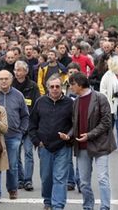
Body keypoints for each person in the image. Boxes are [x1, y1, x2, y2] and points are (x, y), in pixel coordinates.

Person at [60, 72, 116, 210]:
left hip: (100, 144)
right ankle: (88, 206)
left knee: (102, 178)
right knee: (84, 182)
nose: (70, 88)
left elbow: (106, 122)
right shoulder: (76, 101)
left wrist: (89, 135)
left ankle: (105, 207)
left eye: (71, 84)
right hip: (82, 145)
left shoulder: (100, 98)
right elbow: (75, 124)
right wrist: (69, 135)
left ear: (79, 84)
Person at [28, 74, 74, 210]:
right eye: (52, 87)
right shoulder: (40, 102)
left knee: (60, 177)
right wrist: (37, 141)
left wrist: (69, 136)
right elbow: (32, 124)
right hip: (45, 147)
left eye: (57, 86)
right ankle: (48, 201)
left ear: (62, 88)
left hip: (63, 146)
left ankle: (58, 205)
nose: (55, 89)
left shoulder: (70, 103)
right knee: (46, 177)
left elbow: (75, 124)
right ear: (48, 88)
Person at [0, 70, 29, 200]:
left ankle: (12, 189)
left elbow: (25, 116)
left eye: (6, 78)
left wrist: (21, 131)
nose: (4, 81)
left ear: (11, 80)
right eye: (1, 79)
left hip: (14, 135)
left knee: (13, 164)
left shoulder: (18, 95)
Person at [12, 61, 40, 191]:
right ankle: (20, 179)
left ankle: (28, 180)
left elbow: (36, 106)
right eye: (15, 70)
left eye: (19, 70)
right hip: (15, 127)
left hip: (28, 126)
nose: (17, 72)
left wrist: (33, 125)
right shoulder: (11, 85)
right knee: (16, 154)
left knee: (28, 153)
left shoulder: (33, 86)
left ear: (26, 71)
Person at [100, 55, 118, 149]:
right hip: (110, 104)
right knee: (109, 126)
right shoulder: (108, 75)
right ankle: (107, 144)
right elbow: (103, 90)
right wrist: (111, 96)